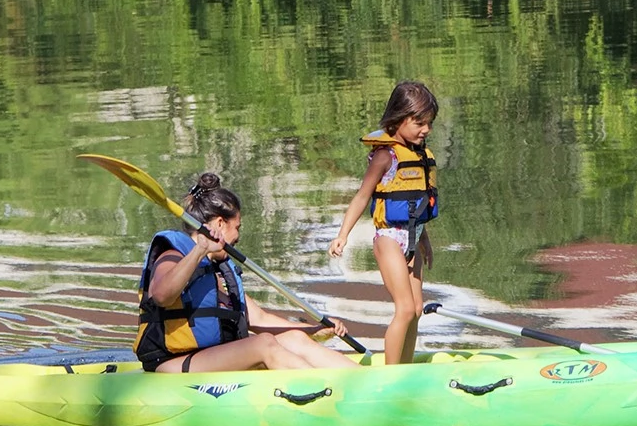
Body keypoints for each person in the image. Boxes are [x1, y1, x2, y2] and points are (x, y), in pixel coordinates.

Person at [137, 171, 353, 374]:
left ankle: (360, 379)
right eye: (237, 227)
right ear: (220, 224)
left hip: (210, 357)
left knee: (295, 339)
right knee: (263, 343)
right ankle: (329, 391)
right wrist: (200, 249)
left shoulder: (218, 272)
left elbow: (260, 319)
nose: (238, 237)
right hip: (172, 363)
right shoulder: (173, 254)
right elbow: (162, 295)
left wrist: (313, 330)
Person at [330, 81, 440, 366]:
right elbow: (362, 196)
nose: (426, 129)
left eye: (429, 123)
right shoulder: (385, 155)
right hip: (389, 238)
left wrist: (424, 239)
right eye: (419, 123)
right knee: (404, 308)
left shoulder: (418, 155)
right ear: (399, 118)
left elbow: (416, 203)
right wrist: (343, 235)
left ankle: (406, 365)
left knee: (416, 309)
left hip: (413, 236)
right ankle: (390, 374)